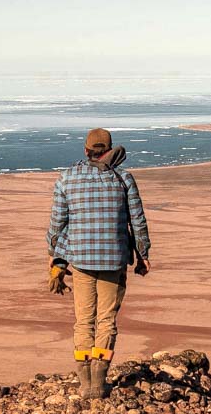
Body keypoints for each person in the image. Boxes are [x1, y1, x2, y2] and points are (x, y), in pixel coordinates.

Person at [46, 127, 152, 399]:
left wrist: (54, 254)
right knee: (106, 321)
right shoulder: (123, 178)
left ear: (85, 150)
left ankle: (85, 384)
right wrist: (143, 254)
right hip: (114, 259)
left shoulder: (67, 179)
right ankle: (98, 383)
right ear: (110, 149)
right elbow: (137, 221)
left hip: (80, 259)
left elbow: (58, 223)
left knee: (83, 321)